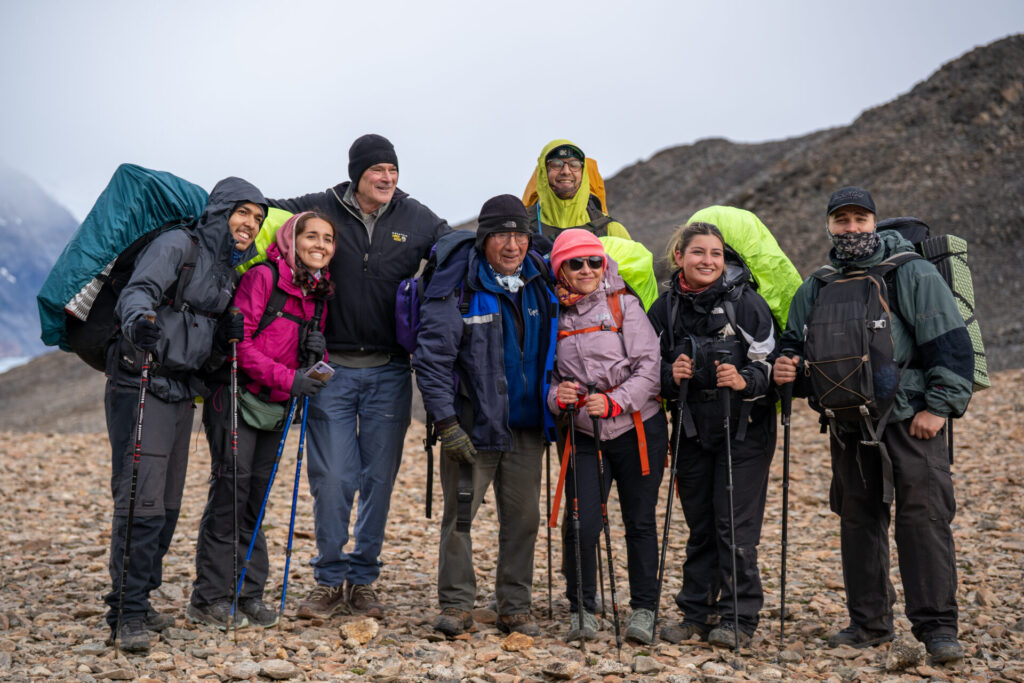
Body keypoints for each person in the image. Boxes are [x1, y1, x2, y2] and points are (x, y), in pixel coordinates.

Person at [773, 187, 973, 663]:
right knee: (859, 521)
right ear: (829, 226)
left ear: (875, 223)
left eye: (860, 219)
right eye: (841, 220)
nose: (851, 228)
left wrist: (939, 407)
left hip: (910, 418)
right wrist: (786, 366)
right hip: (847, 424)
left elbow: (950, 344)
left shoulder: (910, 272)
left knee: (922, 520)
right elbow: (795, 349)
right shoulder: (815, 286)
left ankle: (938, 629)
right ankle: (869, 624)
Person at [269, 134, 450, 618]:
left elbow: (455, 246)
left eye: (393, 169)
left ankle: (363, 578)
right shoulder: (320, 207)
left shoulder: (417, 218)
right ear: (357, 173)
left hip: (391, 372)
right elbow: (263, 211)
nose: (387, 177)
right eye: (378, 170)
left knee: (378, 479)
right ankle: (329, 580)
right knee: (332, 478)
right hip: (330, 371)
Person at [104, 177, 267, 653]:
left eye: (257, 219)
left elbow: (202, 343)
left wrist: (224, 339)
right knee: (142, 499)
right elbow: (138, 292)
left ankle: (140, 597)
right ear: (220, 211)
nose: (250, 224)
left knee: (169, 504)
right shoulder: (178, 244)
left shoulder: (227, 270)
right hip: (140, 381)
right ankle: (126, 614)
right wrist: (139, 321)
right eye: (243, 213)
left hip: (180, 390)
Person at [414, 194, 557, 638]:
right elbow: (432, 359)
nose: (511, 244)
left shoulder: (542, 282)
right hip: (471, 427)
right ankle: (456, 606)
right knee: (460, 520)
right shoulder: (458, 286)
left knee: (523, 520)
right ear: (484, 238)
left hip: (527, 427)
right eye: (500, 235)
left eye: (519, 234)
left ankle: (514, 606)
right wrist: (446, 424)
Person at [187, 211, 336, 630]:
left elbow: (305, 359)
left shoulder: (318, 293)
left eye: (327, 239)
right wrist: (293, 378)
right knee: (230, 493)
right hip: (234, 397)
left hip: (274, 406)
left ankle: (248, 594)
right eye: (312, 236)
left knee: (255, 496)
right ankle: (208, 598)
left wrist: (315, 357)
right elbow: (240, 346)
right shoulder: (263, 278)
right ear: (292, 239)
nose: (320, 245)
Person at [647, 221, 778, 648]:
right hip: (690, 428)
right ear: (679, 257)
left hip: (744, 430)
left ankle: (739, 619)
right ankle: (697, 614)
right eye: (699, 252)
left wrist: (745, 381)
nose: (708, 261)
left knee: (734, 526)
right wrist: (670, 376)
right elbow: (645, 369)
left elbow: (772, 362)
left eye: (716, 254)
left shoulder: (748, 304)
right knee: (701, 523)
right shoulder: (664, 308)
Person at [546, 229, 667, 644]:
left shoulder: (624, 305)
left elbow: (650, 368)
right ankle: (582, 608)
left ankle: (644, 610)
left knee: (639, 521)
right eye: (575, 263)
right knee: (583, 524)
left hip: (637, 429)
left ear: (604, 264)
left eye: (593, 262)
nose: (586, 270)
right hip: (583, 434)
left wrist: (615, 402)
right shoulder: (550, 313)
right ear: (560, 267)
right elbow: (546, 377)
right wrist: (555, 397)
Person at [527, 139, 632, 249]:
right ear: (543, 172)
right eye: (556, 164)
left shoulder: (610, 229)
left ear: (583, 172)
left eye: (574, 164)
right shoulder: (521, 227)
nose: (566, 171)